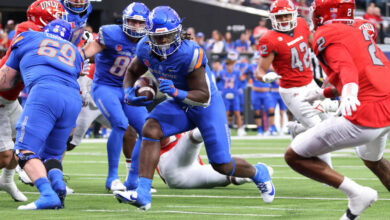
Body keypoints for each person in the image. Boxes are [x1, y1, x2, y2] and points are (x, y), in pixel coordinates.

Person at [114, 6, 274, 211]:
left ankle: (257, 172)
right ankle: (143, 193)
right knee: (150, 129)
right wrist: (128, 92)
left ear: (177, 32)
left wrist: (175, 92)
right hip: (179, 104)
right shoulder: (145, 47)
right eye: (157, 37)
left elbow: (203, 95)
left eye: (167, 36)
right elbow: (133, 70)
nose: (162, 42)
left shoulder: (190, 51)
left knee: (221, 164)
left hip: (205, 107)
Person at [284, 0, 390, 219]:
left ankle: (357, 194)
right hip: (386, 103)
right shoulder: (359, 27)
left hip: (367, 112)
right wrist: (325, 93)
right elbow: (363, 69)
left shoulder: (327, 32)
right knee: (373, 160)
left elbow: (347, 69)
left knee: (294, 155)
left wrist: (349, 93)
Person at [0, 19, 84, 210]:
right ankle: (59, 188)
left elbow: (4, 82)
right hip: (73, 99)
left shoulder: (27, 37)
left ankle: (47, 194)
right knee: (52, 154)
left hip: (45, 91)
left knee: (23, 149)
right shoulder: (75, 52)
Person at [82, 2, 150, 191]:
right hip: (105, 87)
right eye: (132, 22)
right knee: (120, 123)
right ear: (125, 20)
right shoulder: (111, 33)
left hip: (128, 89)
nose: (136, 26)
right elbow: (85, 53)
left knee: (148, 129)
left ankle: (133, 179)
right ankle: (112, 177)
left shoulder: (149, 41)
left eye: (140, 23)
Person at [256, 0, 332, 166]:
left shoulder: (302, 24)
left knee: (331, 122)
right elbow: (259, 71)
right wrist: (265, 77)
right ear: (272, 18)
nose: (283, 19)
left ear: (294, 14)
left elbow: (315, 46)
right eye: (279, 16)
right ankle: (330, 173)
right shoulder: (269, 39)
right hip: (292, 90)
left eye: (286, 15)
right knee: (318, 130)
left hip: (310, 83)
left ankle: (297, 129)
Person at [158, 128, 271, 188]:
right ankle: (213, 125)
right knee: (194, 135)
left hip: (188, 174)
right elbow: (162, 137)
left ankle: (255, 173)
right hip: (171, 169)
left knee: (228, 176)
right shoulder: (155, 134)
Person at [219, 51, 246, 136]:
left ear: (233, 65)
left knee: (237, 112)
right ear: (225, 65)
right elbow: (218, 82)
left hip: (235, 95)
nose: (229, 66)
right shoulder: (221, 73)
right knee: (226, 113)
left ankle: (240, 129)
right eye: (228, 64)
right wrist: (221, 90)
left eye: (231, 64)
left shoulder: (237, 72)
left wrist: (241, 89)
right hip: (225, 95)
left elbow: (244, 81)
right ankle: (227, 129)